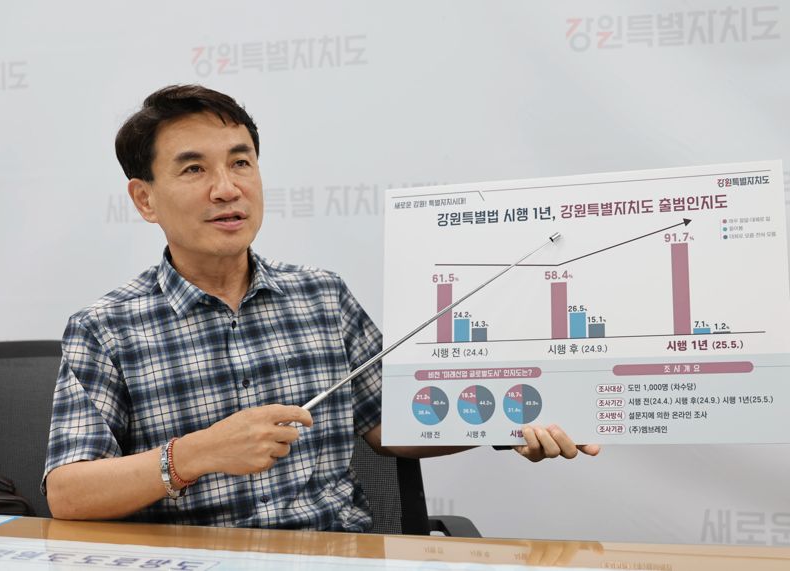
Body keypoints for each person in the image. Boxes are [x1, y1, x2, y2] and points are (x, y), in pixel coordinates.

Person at [43, 85, 599, 530]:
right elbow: (67, 493)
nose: (227, 189)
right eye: (194, 169)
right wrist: (195, 454)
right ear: (145, 198)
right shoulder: (106, 326)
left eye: (241, 163)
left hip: (335, 551)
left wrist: (509, 422)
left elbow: (395, 424)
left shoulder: (322, 295)